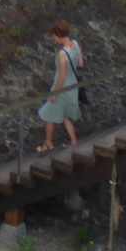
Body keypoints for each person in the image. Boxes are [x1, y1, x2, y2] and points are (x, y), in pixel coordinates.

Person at [37, 21, 83, 153]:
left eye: (54, 36)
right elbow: (80, 63)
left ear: (58, 34)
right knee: (65, 115)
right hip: (73, 85)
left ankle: (48, 144)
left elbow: (62, 76)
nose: (54, 39)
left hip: (61, 88)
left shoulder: (62, 54)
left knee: (48, 114)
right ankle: (73, 142)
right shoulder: (75, 44)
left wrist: (54, 93)